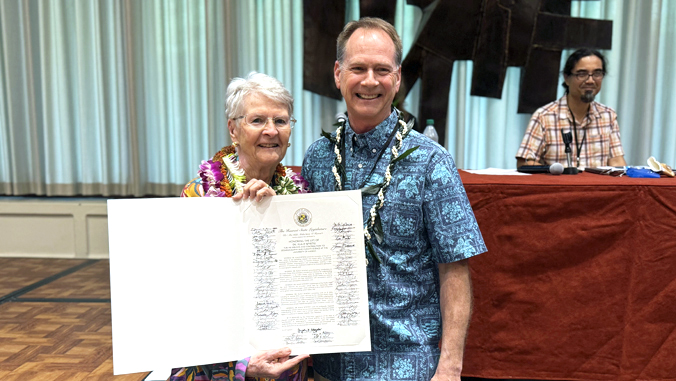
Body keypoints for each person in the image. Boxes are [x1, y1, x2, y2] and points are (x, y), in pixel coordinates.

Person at [301, 17, 487, 381]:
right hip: (330, 365)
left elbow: (455, 268)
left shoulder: (432, 161)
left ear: (397, 78)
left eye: (381, 70)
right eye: (358, 68)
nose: (370, 81)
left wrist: (449, 368)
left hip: (407, 364)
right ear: (338, 73)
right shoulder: (317, 158)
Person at [172, 72, 310, 381]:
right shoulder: (200, 196)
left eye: (281, 121)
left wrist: (278, 217)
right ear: (233, 129)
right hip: (214, 369)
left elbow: (306, 280)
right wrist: (242, 365)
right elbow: (187, 296)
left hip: (284, 363)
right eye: (257, 120)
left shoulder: (300, 197)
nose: (271, 131)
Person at [516, 48, 627, 168]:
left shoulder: (608, 115)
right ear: (567, 78)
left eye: (597, 74)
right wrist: (555, 173)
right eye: (582, 74)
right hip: (558, 185)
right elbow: (524, 162)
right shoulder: (545, 116)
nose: (590, 80)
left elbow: (616, 162)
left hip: (597, 186)